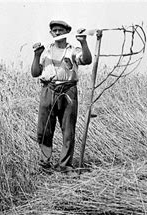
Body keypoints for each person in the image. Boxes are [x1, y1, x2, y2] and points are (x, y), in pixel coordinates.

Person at [31, 20, 92, 172]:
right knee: (44, 129)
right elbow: (35, 73)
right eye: (55, 30)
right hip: (48, 90)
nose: (57, 33)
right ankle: (45, 164)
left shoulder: (73, 50)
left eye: (61, 30)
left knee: (68, 129)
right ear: (51, 33)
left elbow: (87, 60)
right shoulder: (45, 52)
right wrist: (36, 55)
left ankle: (65, 165)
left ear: (67, 32)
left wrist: (84, 43)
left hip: (68, 91)